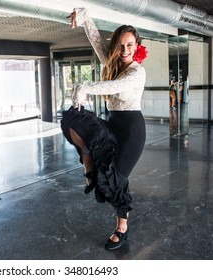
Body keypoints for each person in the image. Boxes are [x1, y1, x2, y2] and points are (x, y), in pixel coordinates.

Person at [62, 8, 147, 250]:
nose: (124, 50)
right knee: (73, 119)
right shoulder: (113, 61)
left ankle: (122, 228)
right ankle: (88, 166)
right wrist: (85, 17)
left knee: (114, 180)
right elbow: (98, 41)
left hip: (132, 131)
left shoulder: (137, 72)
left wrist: (85, 87)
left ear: (137, 45)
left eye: (130, 44)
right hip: (113, 122)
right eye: (120, 45)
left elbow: (119, 87)